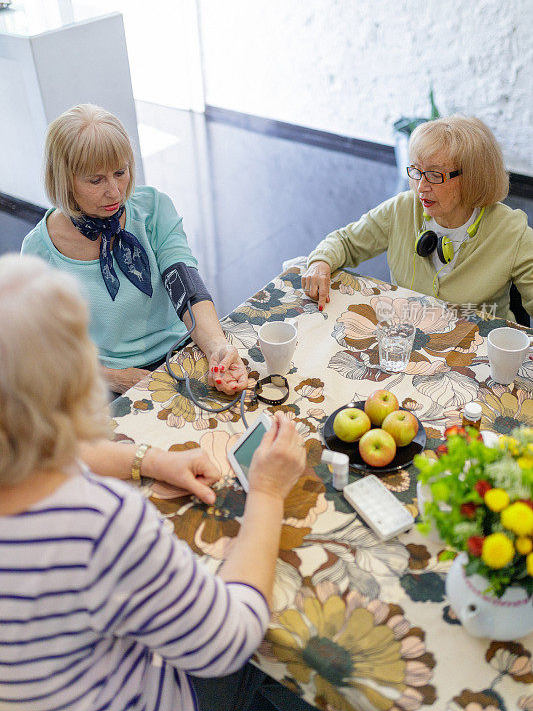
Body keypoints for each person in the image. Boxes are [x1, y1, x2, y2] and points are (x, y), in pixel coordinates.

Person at [0, 254, 307, 711]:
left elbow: (45, 451)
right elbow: (227, 641)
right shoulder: (101, 522)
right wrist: (265, 492)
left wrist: (149, 458)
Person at [21, 104, 247, 395]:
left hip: (179, 348)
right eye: (96, 180)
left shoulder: (153, 208)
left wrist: (216, 344)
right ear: (64, 179)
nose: (115, 192)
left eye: (120, 172)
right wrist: (115, 378)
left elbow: (186, 284)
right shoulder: (40, 249)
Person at [303, 116, 533, 320]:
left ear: (473, 177)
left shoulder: (511, 231)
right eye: (416, 170)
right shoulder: (403, 208)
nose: (421, 186)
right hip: (407, 338)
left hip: (479, 351)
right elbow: (345, 241)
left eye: (435, 175)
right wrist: (320, 262)